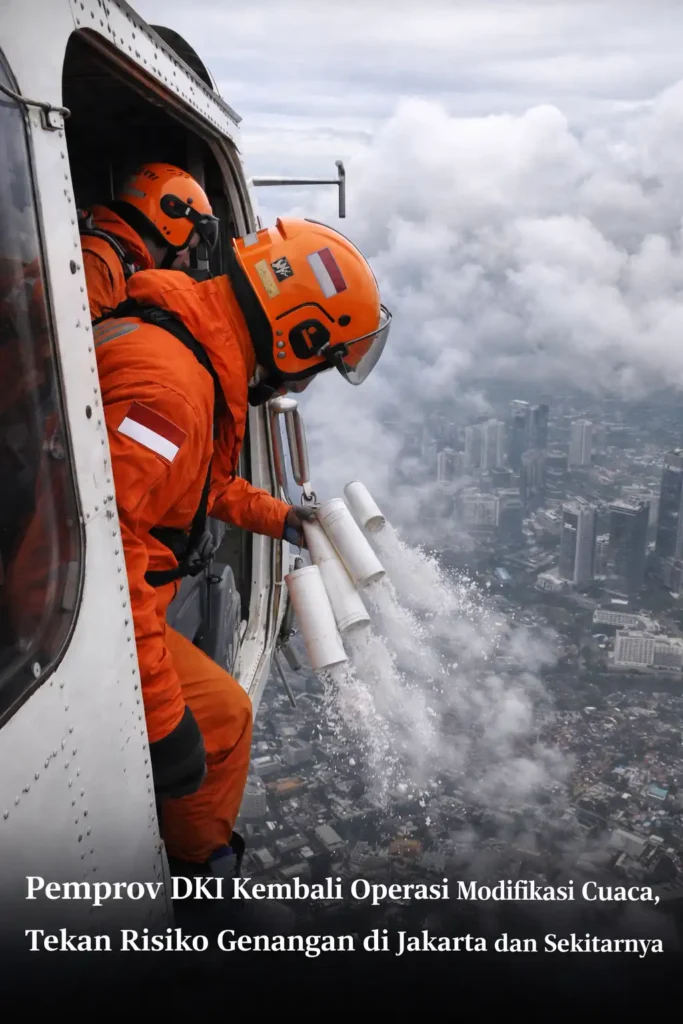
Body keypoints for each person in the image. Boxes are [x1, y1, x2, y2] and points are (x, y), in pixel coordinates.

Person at [91, 214, 391, 878]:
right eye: (318, 362)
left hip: (98, 583)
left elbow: (202, 483)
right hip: (78, 598)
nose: (306, 381)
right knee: (220, 722)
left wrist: (280, 517)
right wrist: (166, 723)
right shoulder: (169, 390)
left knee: (221, 715)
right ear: (298, 334)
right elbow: (108, 557)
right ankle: (201, 879)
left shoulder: (189, 343)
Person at [79, 161, 219, 320]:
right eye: (189, 248)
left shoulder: (125, 262)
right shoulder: (97, 264)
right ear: (169, 227)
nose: (187, 262)